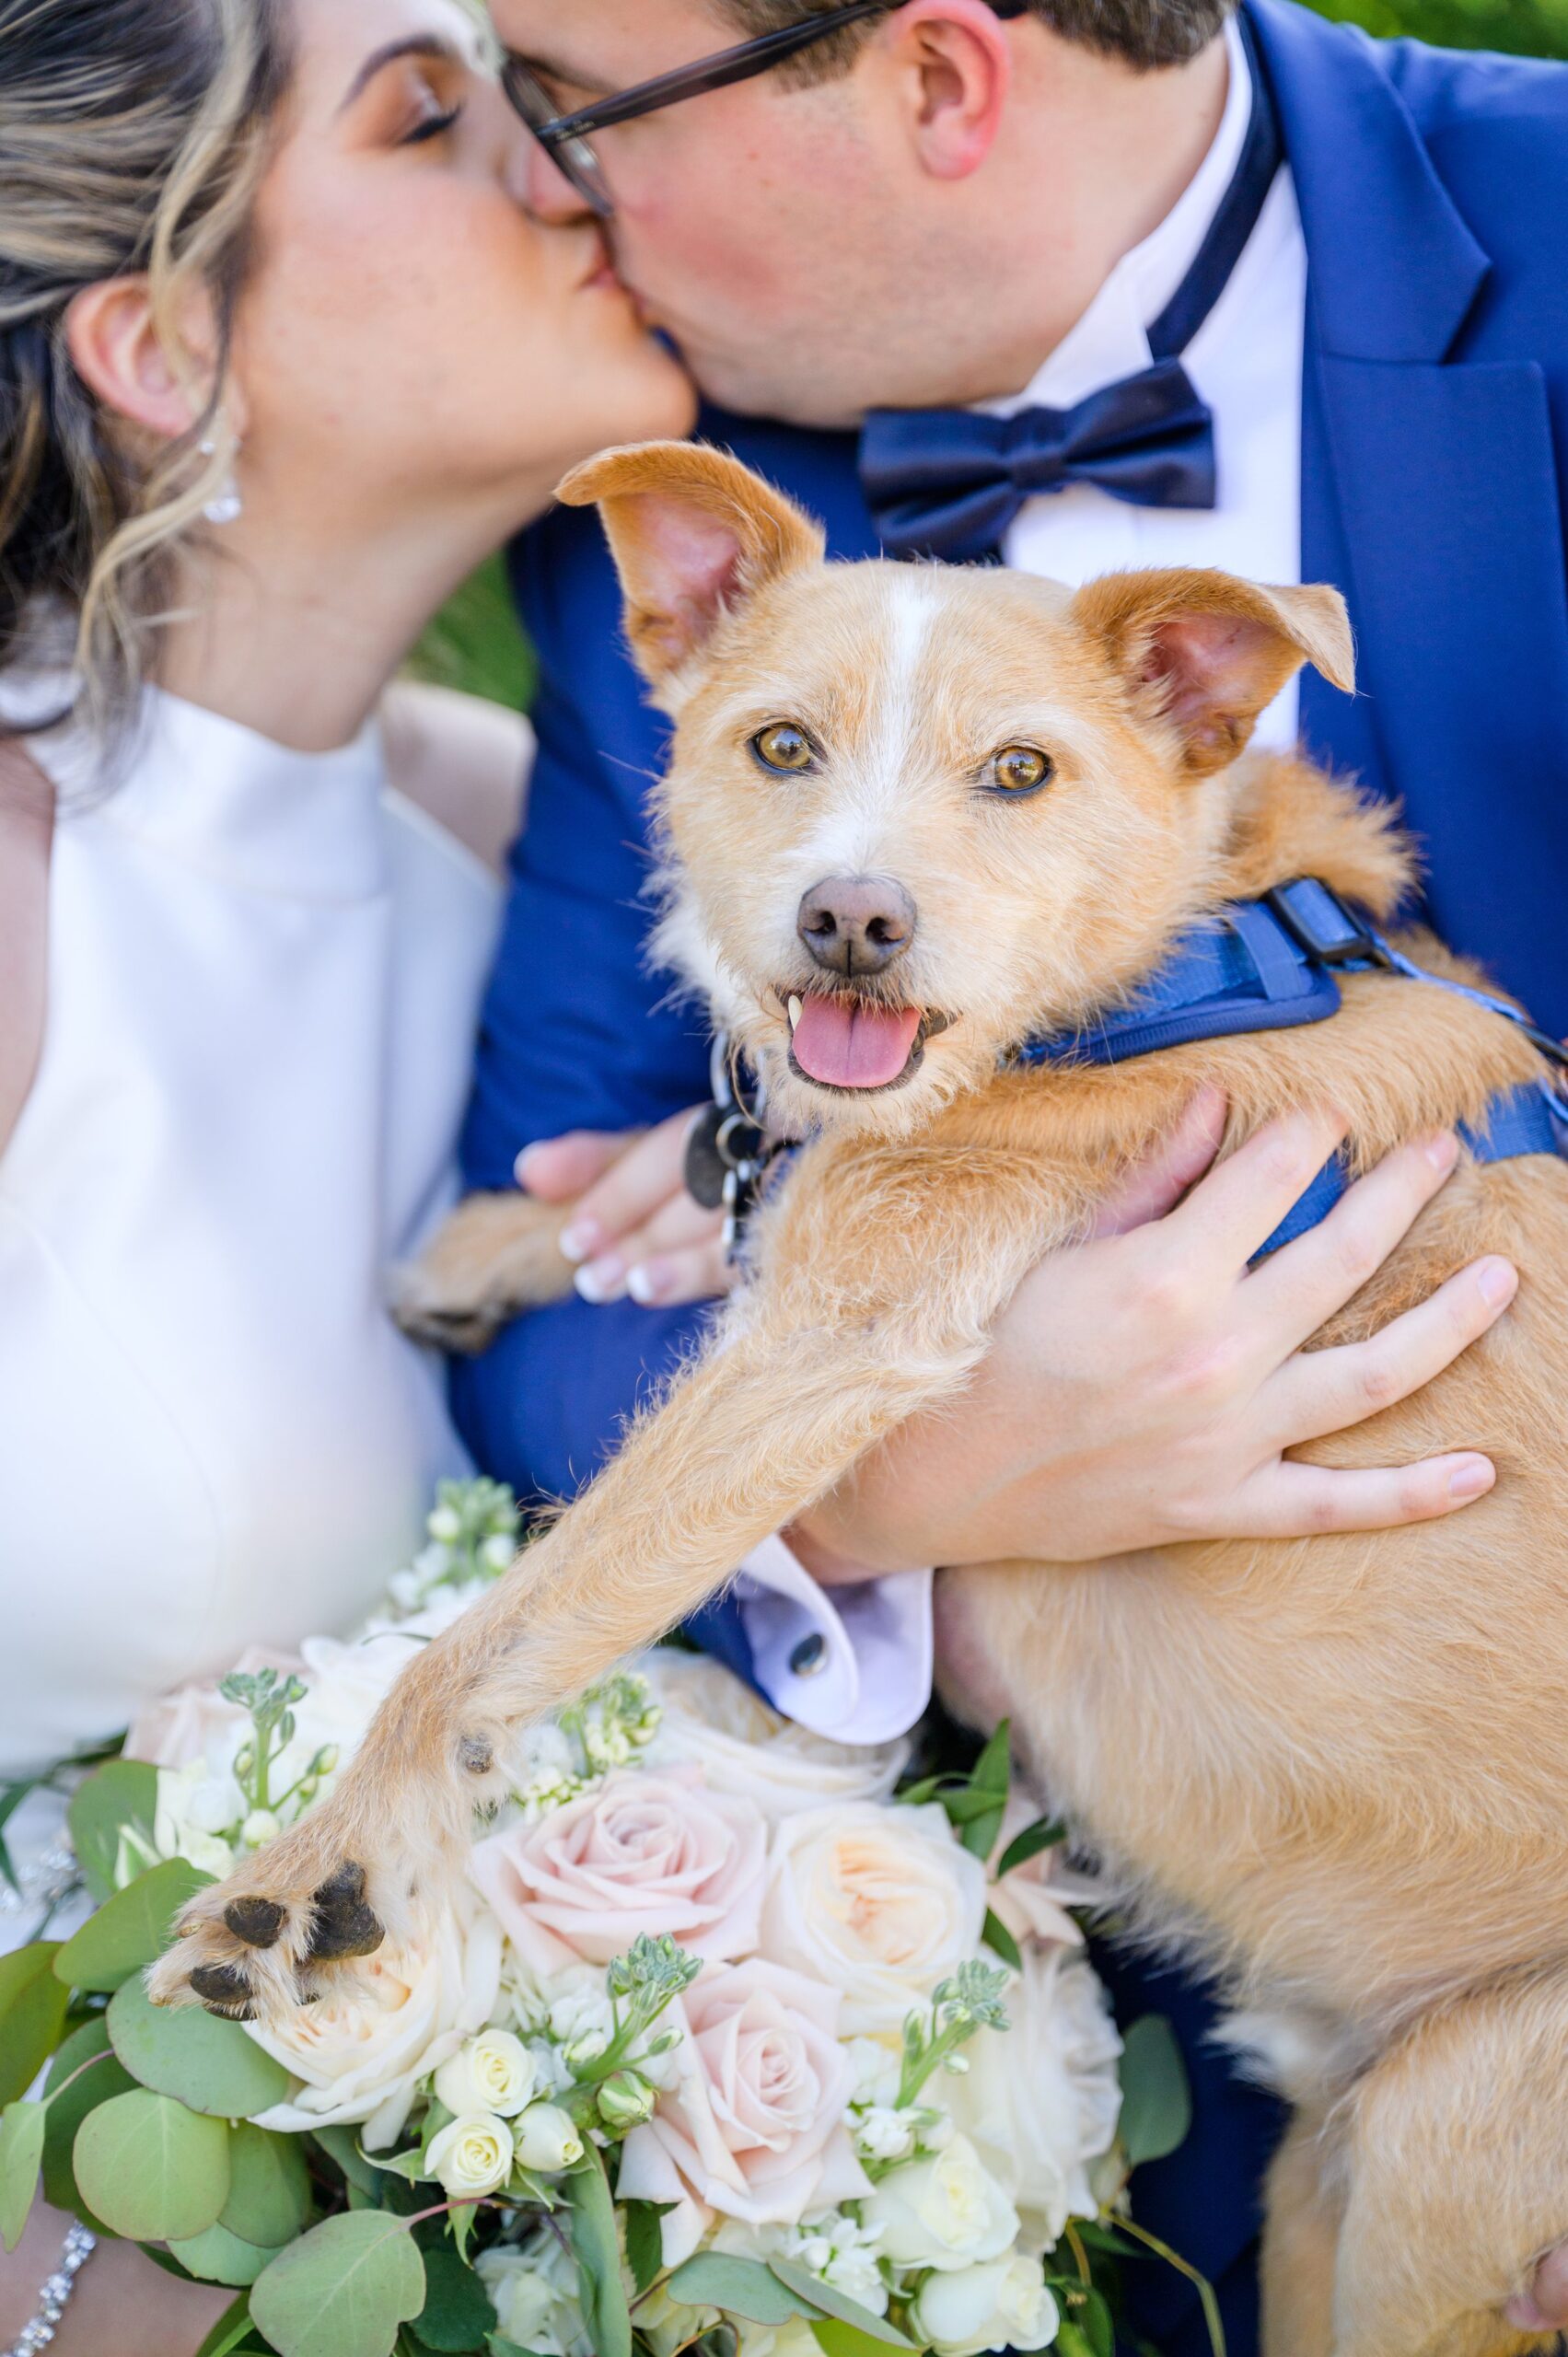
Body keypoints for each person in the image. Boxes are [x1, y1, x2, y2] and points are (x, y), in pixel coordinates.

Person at [455, 0, 1568, 2345]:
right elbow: (530, 1301)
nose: (546, 190)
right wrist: (887, 1479)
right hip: (1102, 2112)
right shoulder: (659, 557)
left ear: (937, 82)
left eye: (569, 105)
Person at [0, 0, 702, 2343]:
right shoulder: (20, 886)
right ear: (160, 347)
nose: (568, 164)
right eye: (433, 119)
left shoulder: (520, 839)